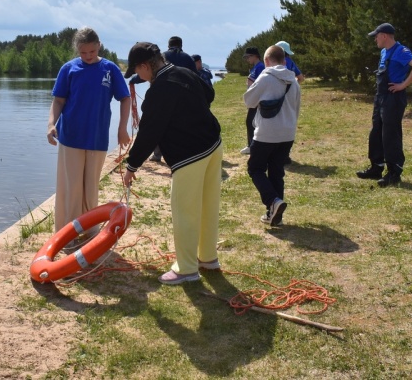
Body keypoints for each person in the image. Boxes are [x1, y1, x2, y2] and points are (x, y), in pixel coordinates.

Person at [122, 42, 223, 285]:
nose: (139, 77)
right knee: (209, 206)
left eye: (138, 71)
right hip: (213, 145)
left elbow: (148, 133)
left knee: (185, 211)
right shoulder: (184, 71)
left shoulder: (160, 89)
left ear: (146, 66)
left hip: (189, 155)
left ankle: (187, 268)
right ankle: (208, 257)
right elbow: (209, 94)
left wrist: (131, 166)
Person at [47, 27, 131, 237]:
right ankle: (66, 233)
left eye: (92, 52)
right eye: (83, 53)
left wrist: (122, 128)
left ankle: (89, 231)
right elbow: (58, 100)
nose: (88, 57)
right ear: (77, 50)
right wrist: (51, 124)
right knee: (71, 187)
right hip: (70, 137)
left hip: (97, 137)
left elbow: (125, 98)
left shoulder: (110, 69)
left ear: (98, 46)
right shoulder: (69, 69)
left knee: (91, 186)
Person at [356, 23, 412, 187]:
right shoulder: (384, 51)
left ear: (384, 35)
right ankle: (376, 167)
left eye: (376, 36)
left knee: (390, 134)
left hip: (394, 98)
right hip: (381, 97)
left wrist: (403, 84)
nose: (375, 40)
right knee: (377, 132)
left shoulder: (401, 51)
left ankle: (394, 172)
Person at [243, 45, 301, 226]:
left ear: (266, 61)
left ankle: (273, 202)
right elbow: (297, 108)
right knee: (277, 172)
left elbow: (249, 101)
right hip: (288, 132)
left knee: (255, 168)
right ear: (284, 61)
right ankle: (275, 215)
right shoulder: (294, 80)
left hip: (267, 133)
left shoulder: (266, 77)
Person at [241, 47, 265, 155]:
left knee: (251, 121)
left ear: (255, 56)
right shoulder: (255, 67)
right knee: (251, 122)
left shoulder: (260, 67)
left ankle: (252, 146)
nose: (247, 59)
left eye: (248, 56)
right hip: (253, 99)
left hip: (257, 99)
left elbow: (260, 85)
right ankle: (251, 145)